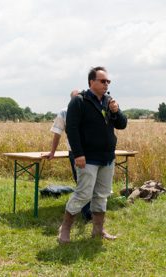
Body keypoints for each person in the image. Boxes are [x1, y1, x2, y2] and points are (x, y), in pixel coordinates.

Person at [57, 66, 128, 244]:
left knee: (102, 195)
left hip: (107, 157)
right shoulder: (79, 101)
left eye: (108, 81)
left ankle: (98, 230)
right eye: (103, 81)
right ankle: (64, 229)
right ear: (91, 82)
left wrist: (116, 111)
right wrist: (79, 154)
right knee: (83, 194)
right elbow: (71, 129)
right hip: (87, 157)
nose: (106, 84)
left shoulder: (108, 101)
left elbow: (122, 124)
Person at [45, 89, 92, 221]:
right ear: (71, 100)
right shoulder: (64, 112)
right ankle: (86, 213)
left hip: (92, 151)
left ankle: (91, 212)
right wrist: (52, 152)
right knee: (81, 182)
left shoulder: (89, 108)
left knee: (91, 182)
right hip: (76, 152)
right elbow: (57, 133)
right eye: (75, 99)